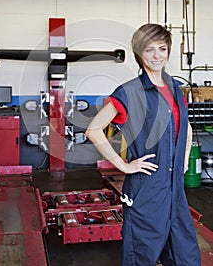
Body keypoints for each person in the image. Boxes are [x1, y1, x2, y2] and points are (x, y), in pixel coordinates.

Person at [85, 23, 201, 266]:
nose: (157, 56)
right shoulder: (129, 92)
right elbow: (94, 130)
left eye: (162, 48)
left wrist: (183, 163)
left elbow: (187, 128)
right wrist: (123, 166)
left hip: (174, 190)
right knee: (141, 257)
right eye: (149, 50)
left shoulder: (175, 89)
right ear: (139, 53)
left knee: (185, 256)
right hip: (146, 190)